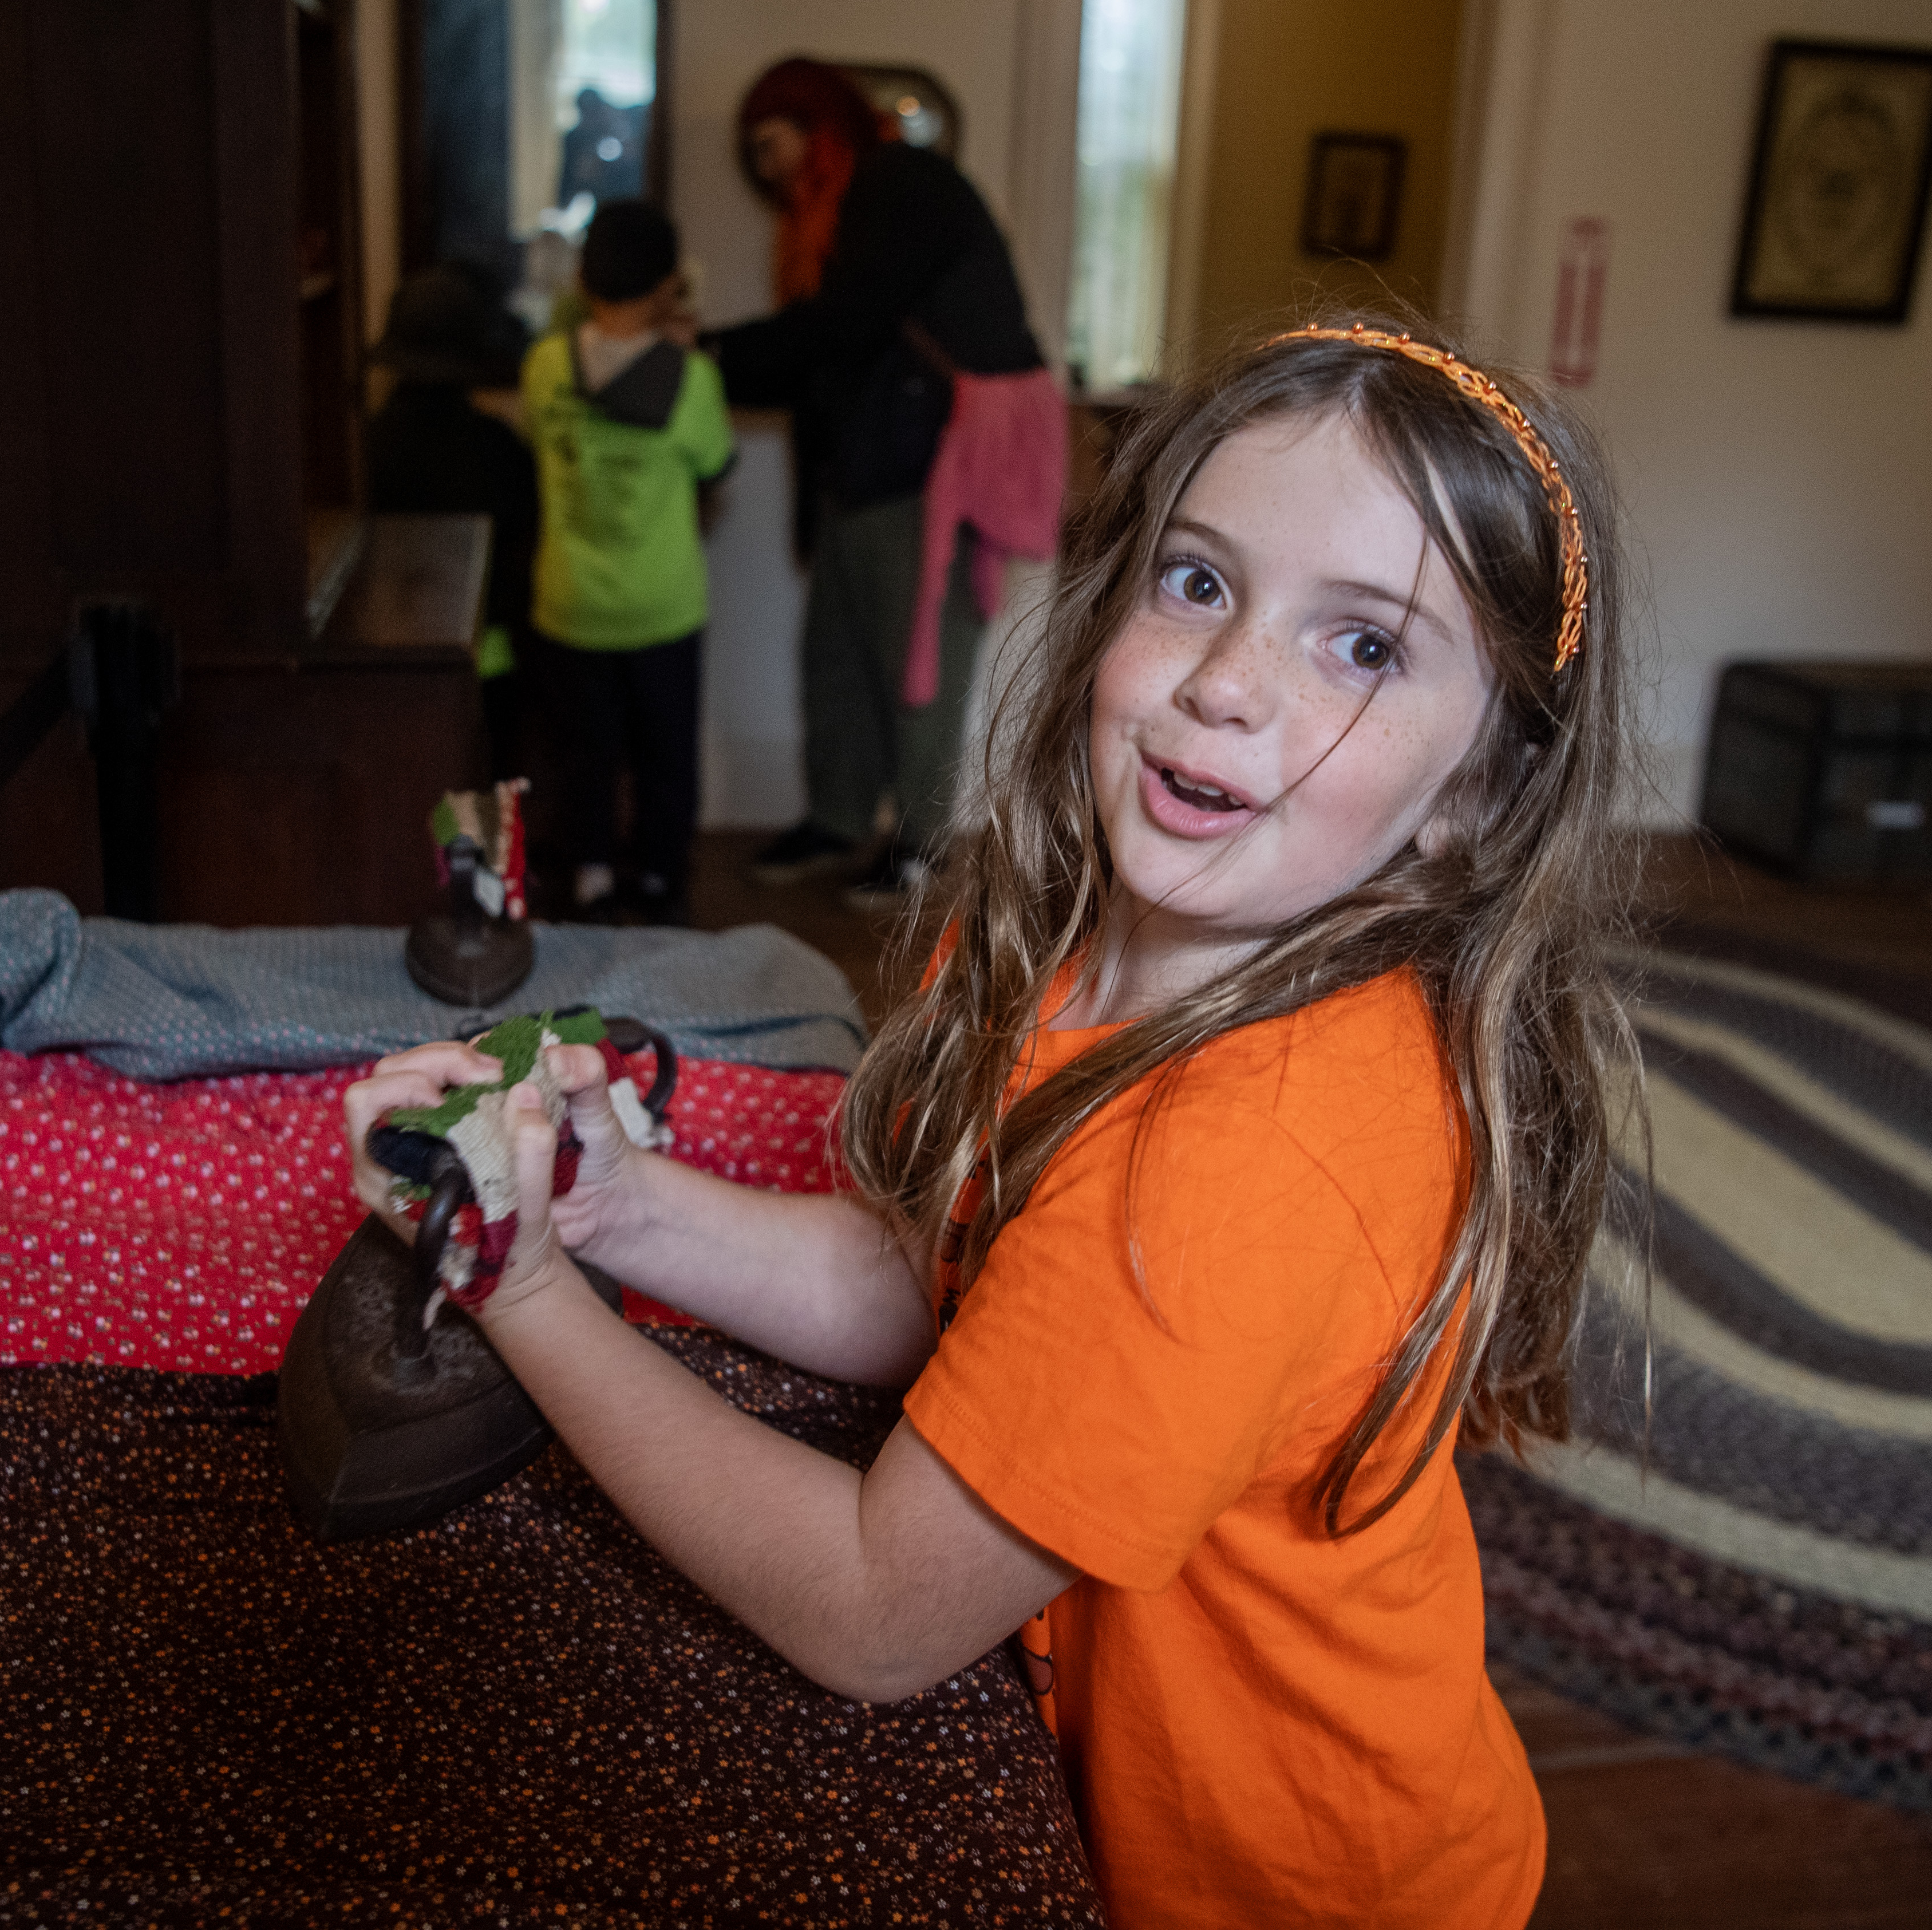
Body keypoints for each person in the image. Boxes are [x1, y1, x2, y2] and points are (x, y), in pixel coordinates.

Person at [342, 315, 1629, 1925]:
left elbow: (876, 1612)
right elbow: (944, 1292)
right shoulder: (1058, 942)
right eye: (1201, 582)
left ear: (1479, 797)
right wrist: (619, 1207)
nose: (1228, 681)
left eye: (1363, 645)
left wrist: (516, 1285)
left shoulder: (1236, 1166)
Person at [710, 58, 1050, 911]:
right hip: (866, 473)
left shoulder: (895, 186)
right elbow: (832, 354)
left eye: (770, 143)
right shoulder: (841, 208)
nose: (766, 168)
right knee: (839, 662)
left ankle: (923, 847)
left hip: (929, 471)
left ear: (814, 125)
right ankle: (838, 820)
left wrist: (709, 354)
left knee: (920, 666)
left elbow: (840, 328)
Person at [519, 201, 736, 926]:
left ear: (580, 277)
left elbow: (554, 377)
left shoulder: (546, 365)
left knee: (582, 757)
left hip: (569, 603)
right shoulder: (691, 379)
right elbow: (716, 461)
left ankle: (586, 877)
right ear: (670, 285)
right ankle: (657, 882)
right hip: (661, 607)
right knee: (664, 761)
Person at [364, 265, 541, 777]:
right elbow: (523, 555)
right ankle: (485, 862)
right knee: (484, 809)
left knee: (408, 805)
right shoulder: (500, 449)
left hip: (391, 664)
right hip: (488, 660)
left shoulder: (363, 450)